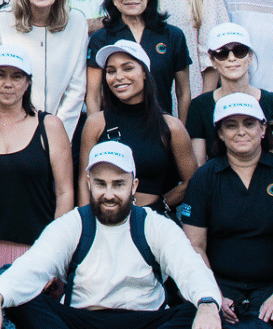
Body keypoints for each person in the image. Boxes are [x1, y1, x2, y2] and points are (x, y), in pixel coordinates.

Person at [0, 140, 224, 329]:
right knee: (19, 299)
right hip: (85, 327)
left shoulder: (155, 225)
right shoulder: (71, 224)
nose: (109, 194)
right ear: (89, 183)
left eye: (119, 184)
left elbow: (190, 266)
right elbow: (33, 264)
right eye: (101, 184)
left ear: (134, 186)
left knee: (204, 307)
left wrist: (206, 303)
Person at [177, 94, 273, 329]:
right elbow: (195, 245)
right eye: (231, 125)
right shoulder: (204, 179)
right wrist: (214, 295)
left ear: (263, 129)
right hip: (222, 284)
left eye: (249, 123)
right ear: (219, 132)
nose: (241, 132)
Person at [0, 47, 75, 317]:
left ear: (28, 82)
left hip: (38, 248)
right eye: (0, 75)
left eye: (17, 76)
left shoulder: (50, 127)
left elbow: (65, 192)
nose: (8, 83)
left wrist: (52, 260)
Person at [82, 40, 196, 214]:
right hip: (104, 223)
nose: (118, 76)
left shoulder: (171, 126)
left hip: (152, 226)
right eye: (111, 71)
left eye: (127, 68)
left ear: (144, 72)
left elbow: (192, 181)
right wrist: (87, 224)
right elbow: (84, 181)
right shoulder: (96, 123)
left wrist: (161, 205)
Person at [0, 0, 91, 126]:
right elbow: (2, 83)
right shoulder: (1, 22)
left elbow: (76, 87)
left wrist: (58, 134)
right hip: (17, 126)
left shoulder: (77, 22)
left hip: (66, 127)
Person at [184, 23, 273, 167]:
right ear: (213, 60)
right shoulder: (200, 106)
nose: (231, 58)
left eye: (239, 51)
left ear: (250, 57)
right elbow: (199, 164)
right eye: (222, 53)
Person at [92, 0, 193, 111]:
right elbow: (94, 96)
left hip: (161, 127)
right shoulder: (100, 38)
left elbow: (183, 92)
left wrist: (180, 130)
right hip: (116, 129)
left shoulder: (173, 35)